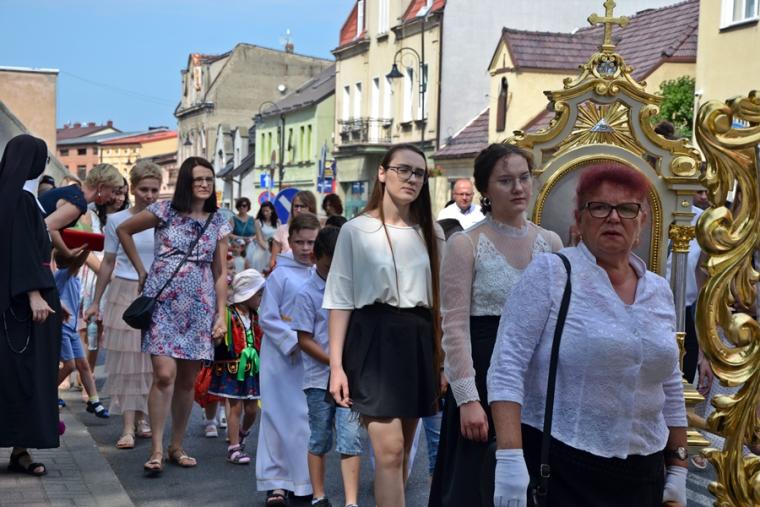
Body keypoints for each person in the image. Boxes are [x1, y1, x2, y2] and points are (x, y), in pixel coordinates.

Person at [488, 162, 688, 507]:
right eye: (599, 207)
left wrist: (679, 465)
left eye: (627, 209)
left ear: (641, 222)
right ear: (579, 219)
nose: (614, 218)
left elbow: (669, 382)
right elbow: (507, 365)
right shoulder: (551, 274)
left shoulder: (658, 290)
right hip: (565, 465)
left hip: (645, 470)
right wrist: (509, 458)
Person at [429, 144, 562, 506]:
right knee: (475, 486)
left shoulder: (551, 243)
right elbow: (454, 327)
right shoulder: (465, 244)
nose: (518, 187)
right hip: (482, 374)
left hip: (535, 378)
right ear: (485, 189)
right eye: (505, 180)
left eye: (524, 178)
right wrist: (468, 399)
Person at [325, 143, 444, 507]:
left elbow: (441, 304)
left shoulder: (432, 233)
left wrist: (443, 360)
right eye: (403, 169)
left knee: (402, 453)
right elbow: (340, 299)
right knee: (389, 451)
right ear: (382, 173)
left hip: (418, 339)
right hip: (373, 340)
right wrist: (336, 366)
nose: (411, 179)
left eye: (419, 173)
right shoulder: (356, 230)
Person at [117, 156, 231, 475]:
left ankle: (176, 446)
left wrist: (221, 315)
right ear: (185, 182)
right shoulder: (164, 210)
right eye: (198, 179)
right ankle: (156, 449)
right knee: (164, 374)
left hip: (199, 306)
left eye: (209, 179)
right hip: (163, 301)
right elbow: (123, 230)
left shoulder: (219, 220)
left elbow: (220, 272)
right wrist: (142, 270)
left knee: (186, 380)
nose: (204, 184)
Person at [84, 161, 163, 449]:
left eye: (154, 190)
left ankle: (143, 418)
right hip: (125, 290)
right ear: (133, 188)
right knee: (129, 363)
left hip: (157, 292)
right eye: (144, 189)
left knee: (152, 363)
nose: (150, 195)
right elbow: (107, 262)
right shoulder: (116, 220)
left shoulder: (164, 219)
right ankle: (128, 427)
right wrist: (95, 301)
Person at [0, 134, 62, 476]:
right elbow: (22, 250)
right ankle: (20, 449)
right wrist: (35, 293)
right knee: (23, 375)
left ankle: (19, 450)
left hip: (20, 301)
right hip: (24, 307)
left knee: (15, 375)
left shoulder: (14, 198)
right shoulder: (22, 200)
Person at [292, 226, 362, 507]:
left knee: (350, 438)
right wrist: (334, 363)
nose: (335, 270)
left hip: (350, 377)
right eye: (328, 264)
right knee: (320, 437)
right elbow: (303, 339)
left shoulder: (354, 288)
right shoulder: (306, 293)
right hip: (318, 378)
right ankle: (318, 495)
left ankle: (351, 502)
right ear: (315, 258)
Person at [256, 213, 321, 505]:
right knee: (275, 416)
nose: (306, 248)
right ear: (289, 241)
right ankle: (276, 483)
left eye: (312, 242)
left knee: (304, 419)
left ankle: (303, 482)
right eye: (300, 242)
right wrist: (295, 341)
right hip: (281, 357)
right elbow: (267, 317)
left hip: (311, 357)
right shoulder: (279, 275)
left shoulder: (320, 273)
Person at [208, 269, 265, 465]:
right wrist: (217, 337)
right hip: (233, 368)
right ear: (248, 294)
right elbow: (218, 339)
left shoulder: (257, 316)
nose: (261, 299)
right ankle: (233, 447)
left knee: (252, 410)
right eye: (258, 294)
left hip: (252, 369)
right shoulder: (227, 315)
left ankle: (242, 433)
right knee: (235, 407)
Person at [79, 176, 130, 373]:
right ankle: (84, 377)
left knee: (109, 329)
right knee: (88, 328)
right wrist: (106, 274)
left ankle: (94, 376)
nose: (120, 198)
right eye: (116, 192)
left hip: (120, 275)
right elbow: (85, 251)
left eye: (123, 193)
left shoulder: (128, 217)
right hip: (95, 275)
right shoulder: (89, 215)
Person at [53, 249, 110, 419]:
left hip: (71, 329)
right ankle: (48, 391)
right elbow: (77, 263)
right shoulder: (61, 275)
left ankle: (94, 401)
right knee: (70, 365)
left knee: (84, 364)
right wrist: (88, 247)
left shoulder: (74, 279)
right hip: (62, 329)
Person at [39, 163, 123, 258]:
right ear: (101, 187)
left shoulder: (74, 192)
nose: (113, 197)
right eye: (113, 191)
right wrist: (67, 252)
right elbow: (49, 227)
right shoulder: (78, 202)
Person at [270, 190, 317, 271]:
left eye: (302, 206)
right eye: (296, 206)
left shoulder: (318, 230)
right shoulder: (282, 229)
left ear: (310, 208)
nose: (298, 210)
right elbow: (273, 261)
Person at [246, 201, 279, 273]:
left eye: (267, 211)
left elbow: (279, 237)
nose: (265, 213)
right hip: (262, 247)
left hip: (275, 246)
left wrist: (275, 249)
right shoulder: (258, 222)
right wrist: (269, 249)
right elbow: (259, 239)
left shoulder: (278, 222)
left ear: (272, 210)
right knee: (258, 262)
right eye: (263, 211)